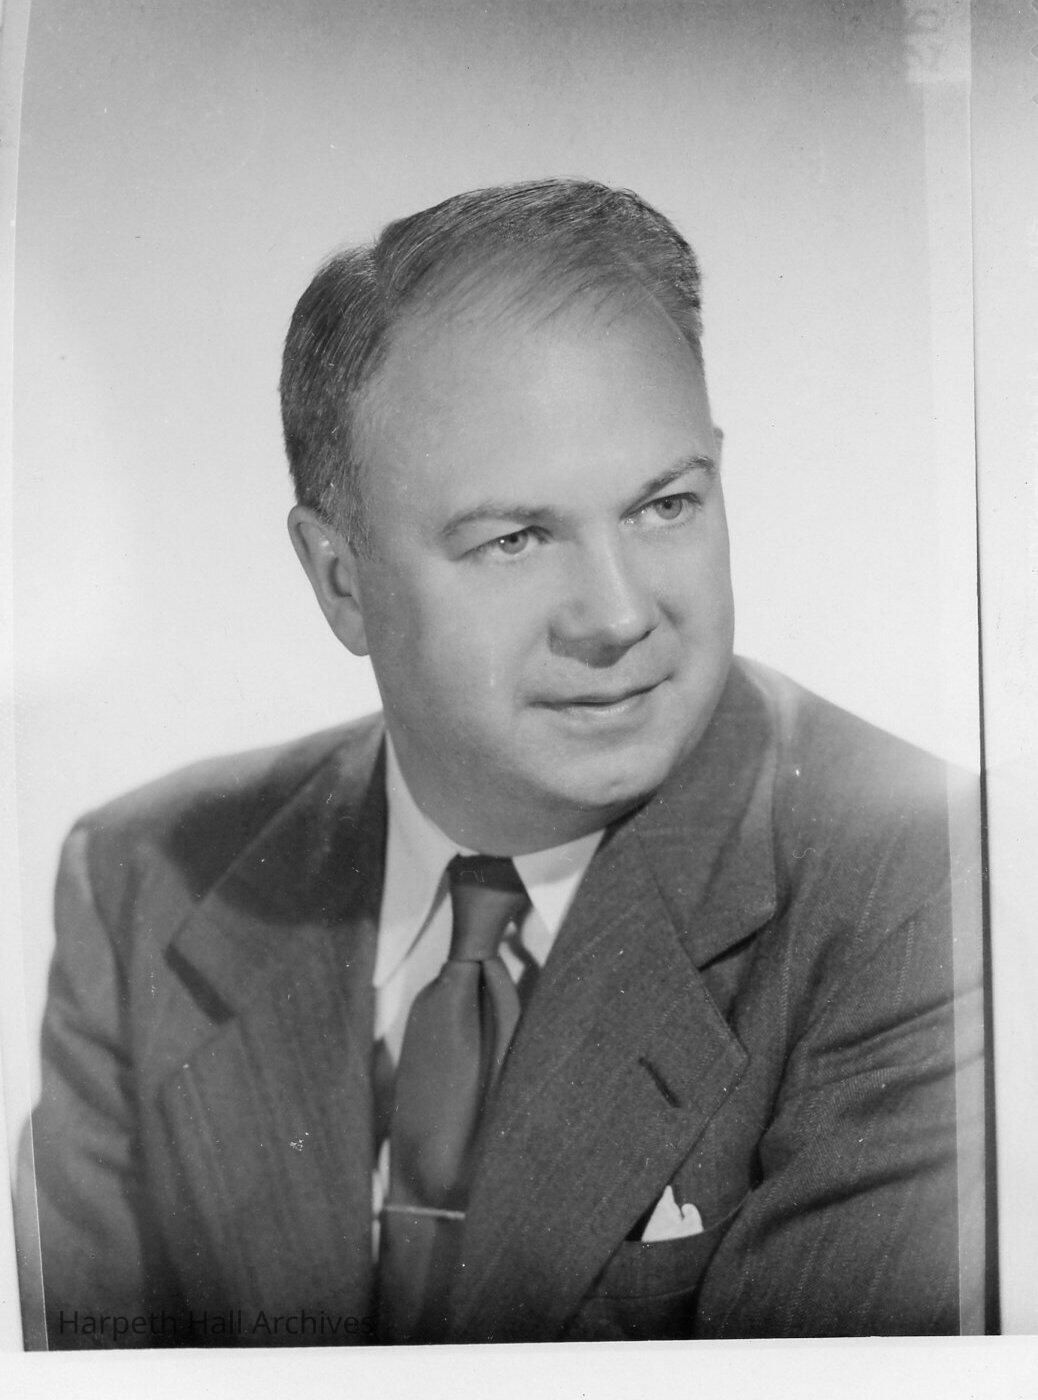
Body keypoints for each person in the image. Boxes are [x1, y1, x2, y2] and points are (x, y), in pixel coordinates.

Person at [19, 179, 980, 1347]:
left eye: (667, 506)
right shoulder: (141, 876)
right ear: (340, 579)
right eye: (517, 538)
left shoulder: (923, 880)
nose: (618, 614)